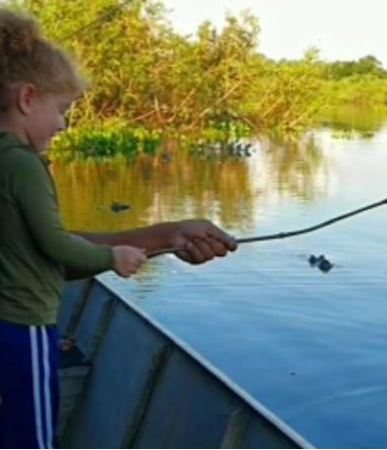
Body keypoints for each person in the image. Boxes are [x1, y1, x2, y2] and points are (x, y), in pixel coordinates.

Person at [0, 9, 237, 448]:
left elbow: (37, 250)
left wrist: (167, 236)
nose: (64, 123)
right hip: (22, 327)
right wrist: (113, 258)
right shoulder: (23, 164)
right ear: (28, 98)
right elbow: (53, 245)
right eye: (62, 109)